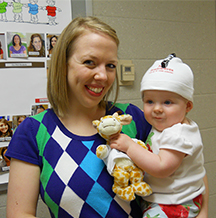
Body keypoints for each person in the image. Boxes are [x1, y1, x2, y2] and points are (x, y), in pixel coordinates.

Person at [6, 16, 152, 218]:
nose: (102, 76)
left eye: (110, 65)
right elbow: (20, 213)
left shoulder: (133, 118)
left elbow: (187, 166)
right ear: (63, 65)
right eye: (90, 62)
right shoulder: (33, 131)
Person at [110, 55, 209, 218]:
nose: (157, 109)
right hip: (166, 198)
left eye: (167, 102)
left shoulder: (178, 133)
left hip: (175, 203)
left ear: (188, 106)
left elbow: (162, 167)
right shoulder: (166, 125)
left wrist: (129, 146)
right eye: (149, 101)